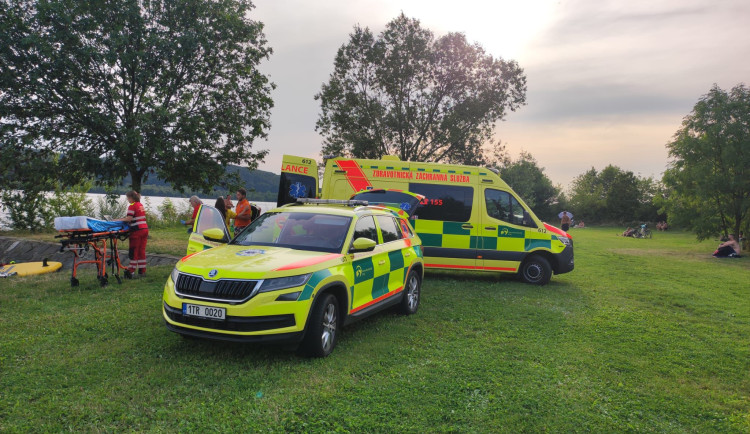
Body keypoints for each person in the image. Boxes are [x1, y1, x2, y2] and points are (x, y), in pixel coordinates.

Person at [117, 190, 149, 278]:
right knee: (141, 251)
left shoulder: (132, 206)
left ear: (130, 198)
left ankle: (131, 272)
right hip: (145, 229)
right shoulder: (140, 205)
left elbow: (129, 219)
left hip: (137, 231)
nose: (127, 200)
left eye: (127, 198)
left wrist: (118, 220)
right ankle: (142, 271)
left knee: (134, 251)